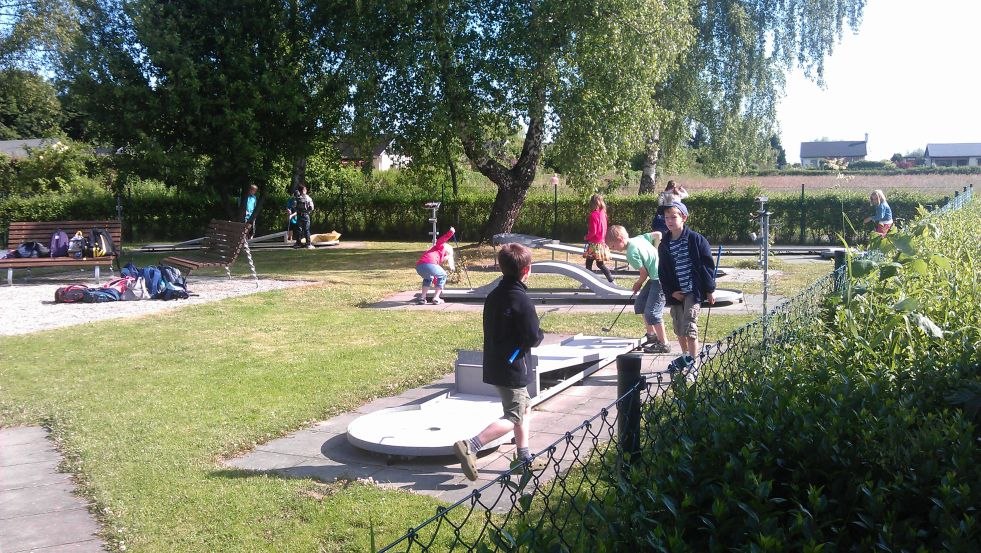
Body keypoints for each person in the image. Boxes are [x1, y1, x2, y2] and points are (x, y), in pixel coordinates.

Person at [454, 243, 546, 481]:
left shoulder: (495, 295)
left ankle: (524, 457)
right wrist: (539, 335)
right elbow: (533, 337)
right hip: (512, 365)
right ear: (527, 270)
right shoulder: (522, 300)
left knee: (524, 407)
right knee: (514, 415)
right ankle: (471, 445)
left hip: (496, 361)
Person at [657, 202, 716, 361]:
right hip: (677, 292)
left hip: (693, 291)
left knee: (689, 326)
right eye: (666, 217)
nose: (669, 220)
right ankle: (685, 358)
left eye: (673, 217)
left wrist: (709, 289)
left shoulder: (696, 239)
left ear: (684, 217)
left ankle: (693, 363)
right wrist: (671, 292)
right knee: (678, 327)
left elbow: (707, 266)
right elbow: (663, 272)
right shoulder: (664, 245)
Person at [605, 225, 671, 353]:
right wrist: (655, 251)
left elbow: (643, 274)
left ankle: (664, 344)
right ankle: (651, 336)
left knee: (652, 312)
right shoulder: (639, 238)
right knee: (640, 304)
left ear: (620, 239)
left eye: (613, 246)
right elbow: (657, 234)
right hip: (655, 277)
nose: (613, 249)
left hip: (660, 279)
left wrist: (638, 284)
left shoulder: (631, 253)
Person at [415, 227, 456, 304]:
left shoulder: (434, 253)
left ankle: (422, 298)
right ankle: (436, 298)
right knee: (443, 275)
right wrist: (451, 233)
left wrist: (439, 286)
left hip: (419, 266)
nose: (445, 258)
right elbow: (441, 241)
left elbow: (435, 276)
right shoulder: (440, 247)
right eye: (446, 255)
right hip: (429, 264)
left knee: (428, 278)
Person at [583, 194, 614, 283]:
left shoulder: (593, 215)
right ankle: (611, 281)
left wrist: (586, 237)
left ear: (592, 203)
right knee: (600, 264)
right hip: (601, 243)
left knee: (588, 265)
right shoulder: (603, 214)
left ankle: (587, 282)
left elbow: (593, 231)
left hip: (594, 244)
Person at [290, 185, 315, 249]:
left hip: (299, 215)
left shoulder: (297, 198)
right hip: (306, 215)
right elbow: (311, 207)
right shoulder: (308, 198)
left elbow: (293, 207)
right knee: (306, 230)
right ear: (304, 190)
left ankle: (298, 243)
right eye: (305, 189)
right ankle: (308, 244)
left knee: (299, 230)